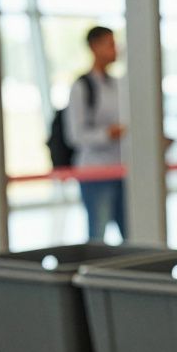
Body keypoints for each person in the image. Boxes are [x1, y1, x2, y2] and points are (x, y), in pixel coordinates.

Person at [66, 26, 127, 242]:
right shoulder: (82, 87)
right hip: (95, 173)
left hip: (122, 171)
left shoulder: (118, 85)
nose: (115, 49)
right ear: (94, 47)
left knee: (130, 234)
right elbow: (76, 135)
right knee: (98, 235)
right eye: (110, 44)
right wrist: (108, 134)